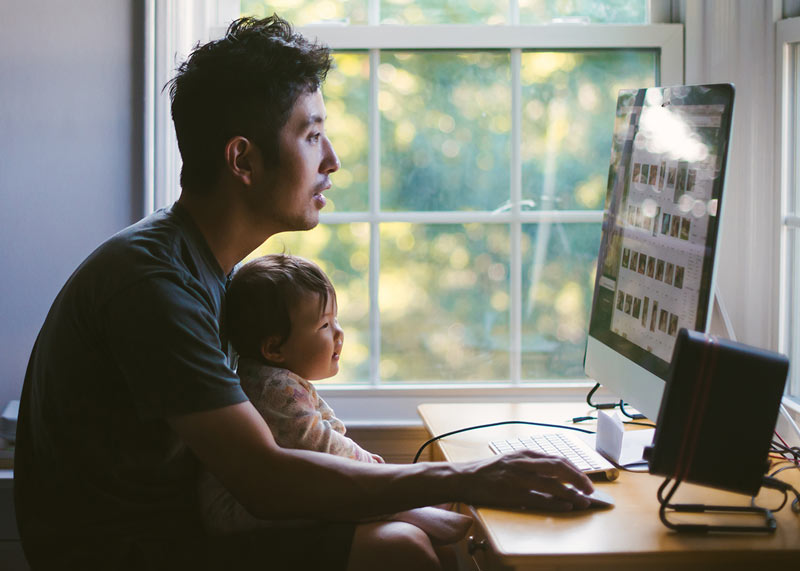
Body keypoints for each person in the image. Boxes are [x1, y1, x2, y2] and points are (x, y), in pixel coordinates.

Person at [14, 14, 595, 571]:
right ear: (243, 159)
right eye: (312, 135)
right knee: (401, 549)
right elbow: (265, 480)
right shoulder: (155, 286)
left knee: (416, 531)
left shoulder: (205, 268)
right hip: (128, 556)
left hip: (178, 529)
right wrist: (468, 477)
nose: (333, 161)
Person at [199, 254, 473, 548]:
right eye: (324, 325)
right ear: (274, 348)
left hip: (253, 499)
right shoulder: (275, 388)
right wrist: (376, 470)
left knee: (329, 486)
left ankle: (400, 508)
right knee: (331, 492)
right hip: (236, 510)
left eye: (335, 320)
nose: (339, 333)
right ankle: (398, 509)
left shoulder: (274, 379)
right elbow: (322, 446)